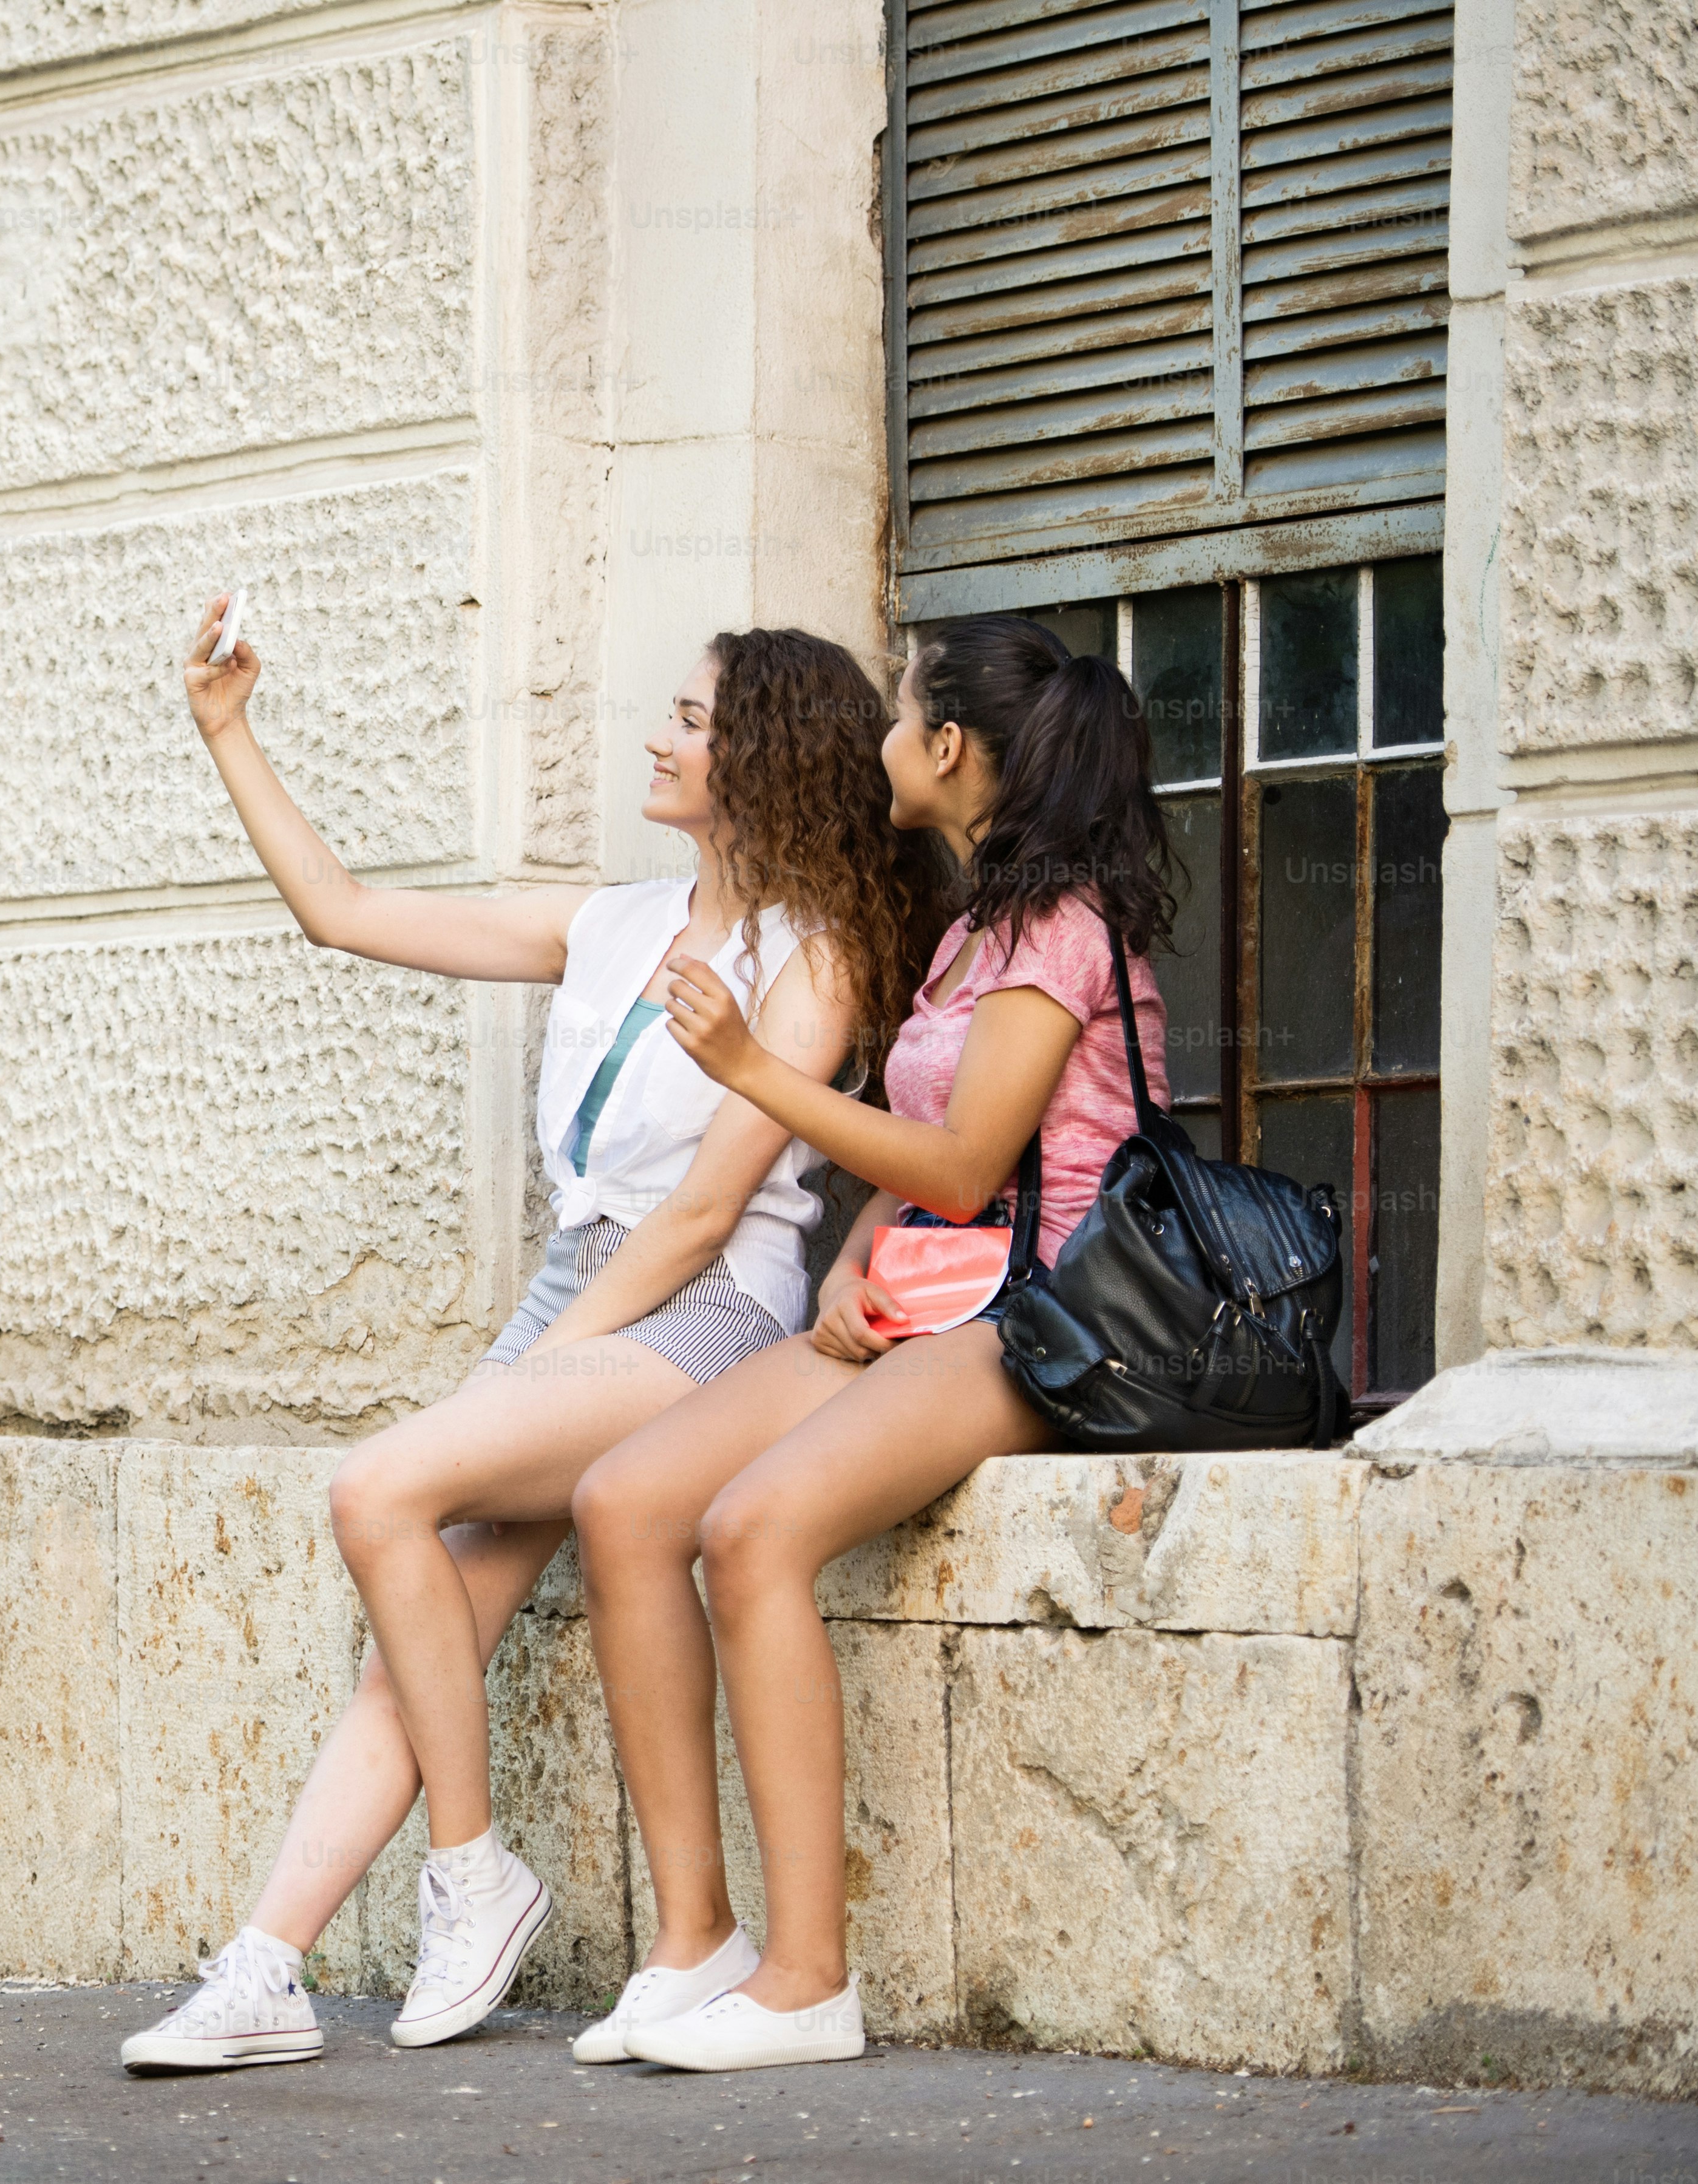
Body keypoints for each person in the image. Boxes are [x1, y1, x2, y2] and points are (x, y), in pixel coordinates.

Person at [119, 602, 941, 2071]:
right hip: (579, 1284)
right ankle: (266, 1963)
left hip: (697, 1310)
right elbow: (347, 912)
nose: (658, 734)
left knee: (379, 1487)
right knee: (419, 1619)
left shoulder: (813, 955)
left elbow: (702, 1215)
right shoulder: (608, 920)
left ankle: (474, 1871)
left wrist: (527, 1374)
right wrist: (226, 731)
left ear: (758, 754)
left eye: (689, 720)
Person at [570, 616, 1173, 2073]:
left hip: (1041, 1315)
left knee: (754, 1528)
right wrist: (851, 1253)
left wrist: (749, 1071)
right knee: (621, 1499)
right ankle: (694, 1937)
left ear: (951, 748)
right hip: (923, 1291)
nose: (882, 744)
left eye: (902, 717)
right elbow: (922, 1166)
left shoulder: (1060, 925)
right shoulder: (976, 920)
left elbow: (972, 1166)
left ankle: (806, 1980)